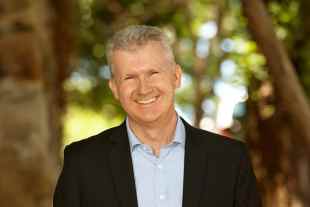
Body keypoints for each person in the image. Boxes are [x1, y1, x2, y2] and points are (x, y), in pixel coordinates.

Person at [53, 25, 262, 207]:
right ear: (115, 88)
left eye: (153, 73)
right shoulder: (82, 162)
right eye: (129, 77)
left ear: (176, 77)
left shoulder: (230, 160)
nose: (143, 89)